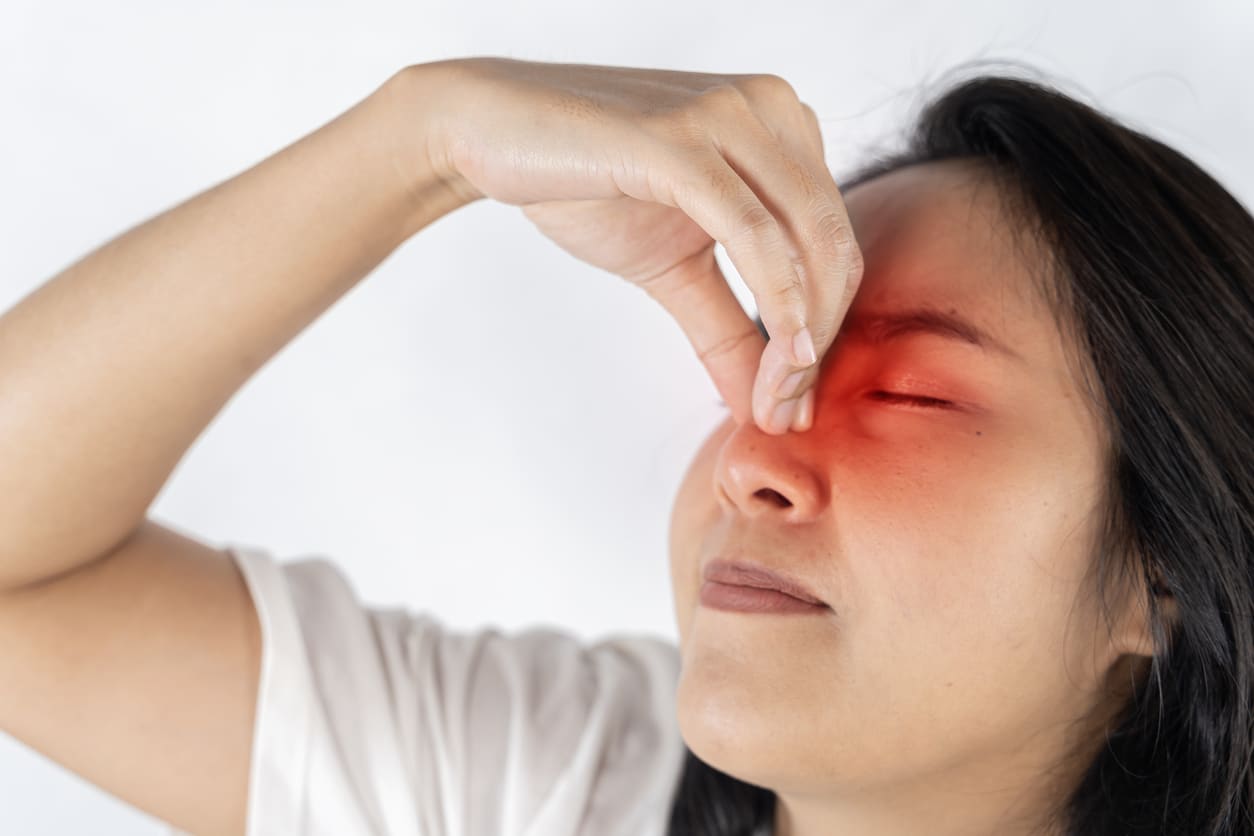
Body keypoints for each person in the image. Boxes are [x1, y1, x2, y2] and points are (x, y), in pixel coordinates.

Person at [0, 55, 1249, 836]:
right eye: (769, 357)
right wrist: (419, 145)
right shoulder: (571, 782)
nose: (752, 453)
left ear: (1166, 571)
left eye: (915, 396)